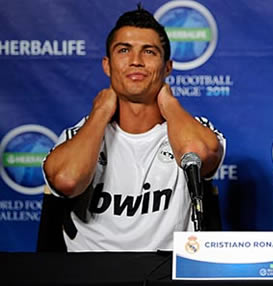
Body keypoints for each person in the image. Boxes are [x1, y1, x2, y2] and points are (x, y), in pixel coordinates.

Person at [42, 6, 225, 251]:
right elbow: (67, 180)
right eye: (124, 50)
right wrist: (100, 114)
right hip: (91, 274)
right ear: (107, 65)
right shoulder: (79, 135)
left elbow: (198, 155)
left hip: (167, 272)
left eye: (149, 52)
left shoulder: (192, 128)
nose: (136, 61)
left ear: (168, 67)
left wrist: (169, 104)